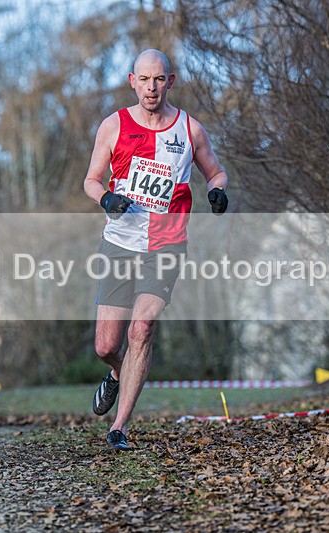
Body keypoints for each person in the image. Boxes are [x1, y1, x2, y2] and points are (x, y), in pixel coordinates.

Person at [83, 49, 229, 451]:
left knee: (142, 328)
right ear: (133, 81)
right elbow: (92, 180)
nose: (151, 88)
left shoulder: (190, 129)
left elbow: (215, 171)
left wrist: (217, 191)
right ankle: (118, 373)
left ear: (171, 81)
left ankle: (120, 428)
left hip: (166, 243)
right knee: (107, 346)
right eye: (144, 80)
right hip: (120, 242)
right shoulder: (113, 126)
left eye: (159, 79)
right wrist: (106, 199)